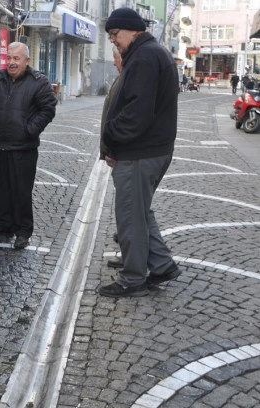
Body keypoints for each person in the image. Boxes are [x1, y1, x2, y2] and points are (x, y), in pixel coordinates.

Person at [100, 8, 181, 297]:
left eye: (114, 35)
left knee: (131, 216)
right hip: (149, 150)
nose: (114, 42)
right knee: (140, 212)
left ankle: (132, 278)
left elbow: (137, 114)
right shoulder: (150, 53)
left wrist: (111, 137)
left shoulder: (145, 57)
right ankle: (161, 265)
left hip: (140, 153)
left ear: (131, 30)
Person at [0, 42, 57, 249]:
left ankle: (23, 231)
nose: (11, 63)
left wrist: (29, 130)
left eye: (16, 58)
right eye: (9, 58)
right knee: (1, 189)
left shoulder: (38, 82)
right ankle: (3, 226)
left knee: (21, 191)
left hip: (23, 148)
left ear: (27, 60)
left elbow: (48, 109)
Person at [101, 47, 124, 270]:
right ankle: (129, 248)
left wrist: (112, 149)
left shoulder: (128, 80)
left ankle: (136, 258)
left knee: (130, 208)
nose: (115, 64)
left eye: (116, 59)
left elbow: (121, 119)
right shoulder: (121, 79)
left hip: (125, 155)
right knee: (126, 206)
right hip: (118, 153)